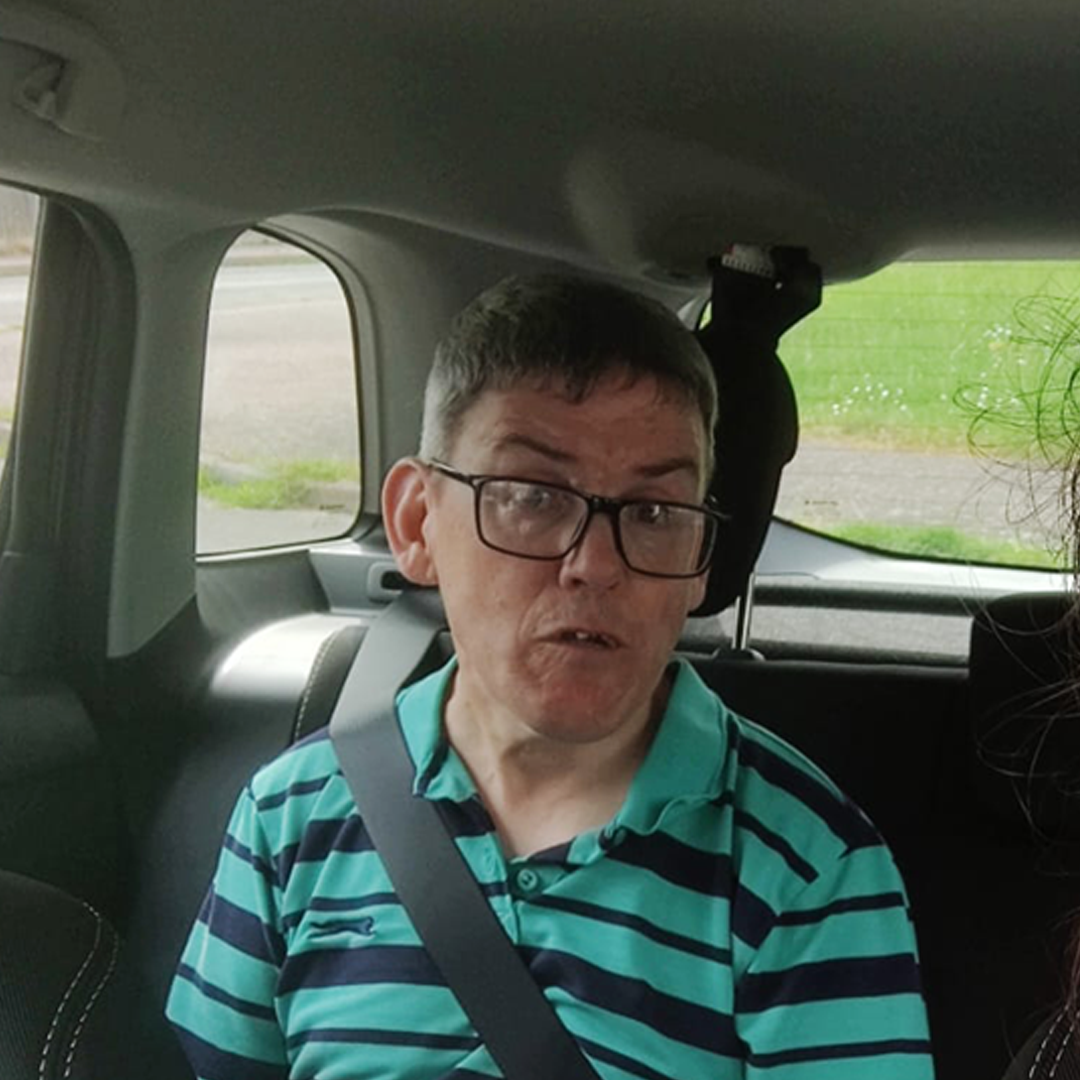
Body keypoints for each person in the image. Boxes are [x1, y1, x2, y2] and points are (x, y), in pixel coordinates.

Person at [166, 274, 935, 1078]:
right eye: (532, 496)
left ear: (701, 560)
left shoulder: (808, 866)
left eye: (654, 513)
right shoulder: (290, 816)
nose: (594, 567)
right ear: (417, 524)